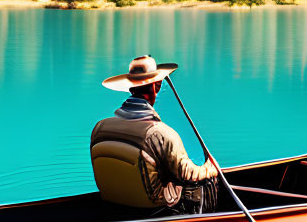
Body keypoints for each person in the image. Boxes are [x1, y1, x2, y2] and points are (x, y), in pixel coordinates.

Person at [90, 55, 219, 213]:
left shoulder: (100, 128)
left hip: (114, 204)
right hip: (153, 208)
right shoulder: (161, 134)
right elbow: (189, 174)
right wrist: (210, 168)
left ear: (131, 88)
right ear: (155, 87)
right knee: (207, 181)